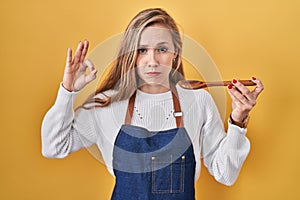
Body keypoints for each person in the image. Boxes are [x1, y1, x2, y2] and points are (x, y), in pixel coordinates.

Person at [41, 8, 264, 200]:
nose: (152, 61)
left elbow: (225, 174)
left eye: (162, 49)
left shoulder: (198, 100)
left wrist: (238, 121)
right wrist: (68, 91)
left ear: (175, 54)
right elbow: (53, 147)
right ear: (131, 55)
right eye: (142, 50)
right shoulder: (106, 104)